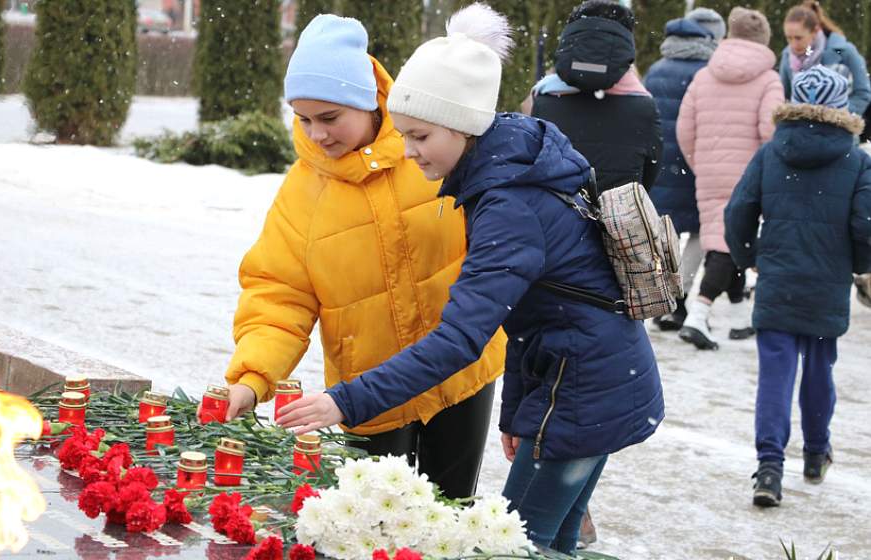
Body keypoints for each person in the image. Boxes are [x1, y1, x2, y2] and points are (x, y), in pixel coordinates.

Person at [277, 3, 664, 554]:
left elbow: (462, 337)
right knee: (548, 545)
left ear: (464, 124)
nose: (408, 152)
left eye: (421, 136)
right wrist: (517, 413)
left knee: (510, 546)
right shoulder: (509, 169)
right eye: (404, 134)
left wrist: (346, 402)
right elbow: (537, 316)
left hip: (582, 394)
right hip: (583, 383)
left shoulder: (509, 204)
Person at [221, 13, 505, 500]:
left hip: (460, 375)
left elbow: (497, 252)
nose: (317, 134)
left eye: (330, 118)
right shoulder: (301, 195)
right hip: (366, 393)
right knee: (373, 521)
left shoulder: (434, 156)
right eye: (303, 118)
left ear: (371, 101)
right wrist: (252, 376)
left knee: (450, 511)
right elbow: (278, 295)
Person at [724, 65, 871, 507]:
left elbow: (738, 211)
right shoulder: (857, 159)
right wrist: (857, 265)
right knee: (820, 367)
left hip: (778, 276)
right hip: (828, 281)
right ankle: (814, 453)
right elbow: (865, 226)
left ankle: (769, 467)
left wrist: (749, 257)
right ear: (842, 108)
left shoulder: (772, 153)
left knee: (775, 372)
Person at [675, 7, 784, 350]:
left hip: (707, 169)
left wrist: (700, 163)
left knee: (730, 239)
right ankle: (698, 315)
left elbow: (684, 129)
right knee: (729, 243)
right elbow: (771, 131)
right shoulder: (769, 80)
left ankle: (739, 318)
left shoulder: (705, 76)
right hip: (751, 172)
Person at [527, 0, 662, 195]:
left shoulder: (544, 98)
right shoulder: (644, 106)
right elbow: (650, 172)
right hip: (618, 221)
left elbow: (534, 165)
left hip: (556, 218)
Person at [643, 8, 725, 330]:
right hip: (695, 160)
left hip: (663, 159)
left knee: (667, 231)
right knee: (700, 231)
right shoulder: (708, 71)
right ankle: (680, 296)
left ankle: (662, 298)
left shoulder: (657, 68)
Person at [780, 1, 870, 118]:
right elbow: (784, 97)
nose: (793, 44)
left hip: (840, 131)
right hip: (802, 131)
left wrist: (839, 117)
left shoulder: (845, 52)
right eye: (789, 38)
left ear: (815, 31)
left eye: (798, 38)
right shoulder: (787, 56)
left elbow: (863, 93)